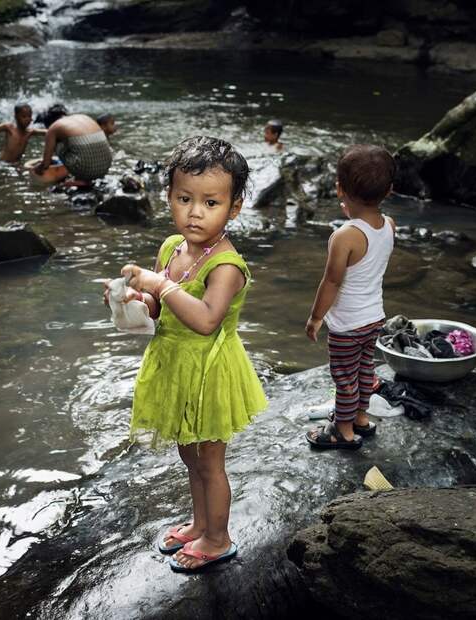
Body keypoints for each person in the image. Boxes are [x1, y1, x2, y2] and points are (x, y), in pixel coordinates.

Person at [107, 136, 267, 573]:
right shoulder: (171, 248)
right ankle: (200, 523)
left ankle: (218, 538)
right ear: (169, 198)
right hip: (175, 367)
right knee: (188, 454)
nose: (195, 212)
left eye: (211, 202)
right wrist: (135, 300)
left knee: (211, 461)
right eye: (184, 198)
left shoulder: (227, 266)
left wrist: (160, 286)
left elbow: (205, 319)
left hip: (210, 370)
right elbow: (161, 311)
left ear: (234, 208)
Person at [305, 144, 396, 450]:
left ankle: (342, 431)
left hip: (347, 324)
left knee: (344, 376)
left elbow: (331, 281)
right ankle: (360, 418)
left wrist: (317, 317)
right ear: (390, 191)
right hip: (374, 317)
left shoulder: (345, 236)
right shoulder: (389, 227)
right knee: (366, 368)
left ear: (339, 189)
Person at [29, 104, 114, 186]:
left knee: (57, 143)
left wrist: (36, 170)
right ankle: (86, 178)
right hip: (106, 165)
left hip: (87, 168)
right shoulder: (82, 117)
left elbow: (46, 164)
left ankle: (81, 179)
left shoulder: (53, 128)